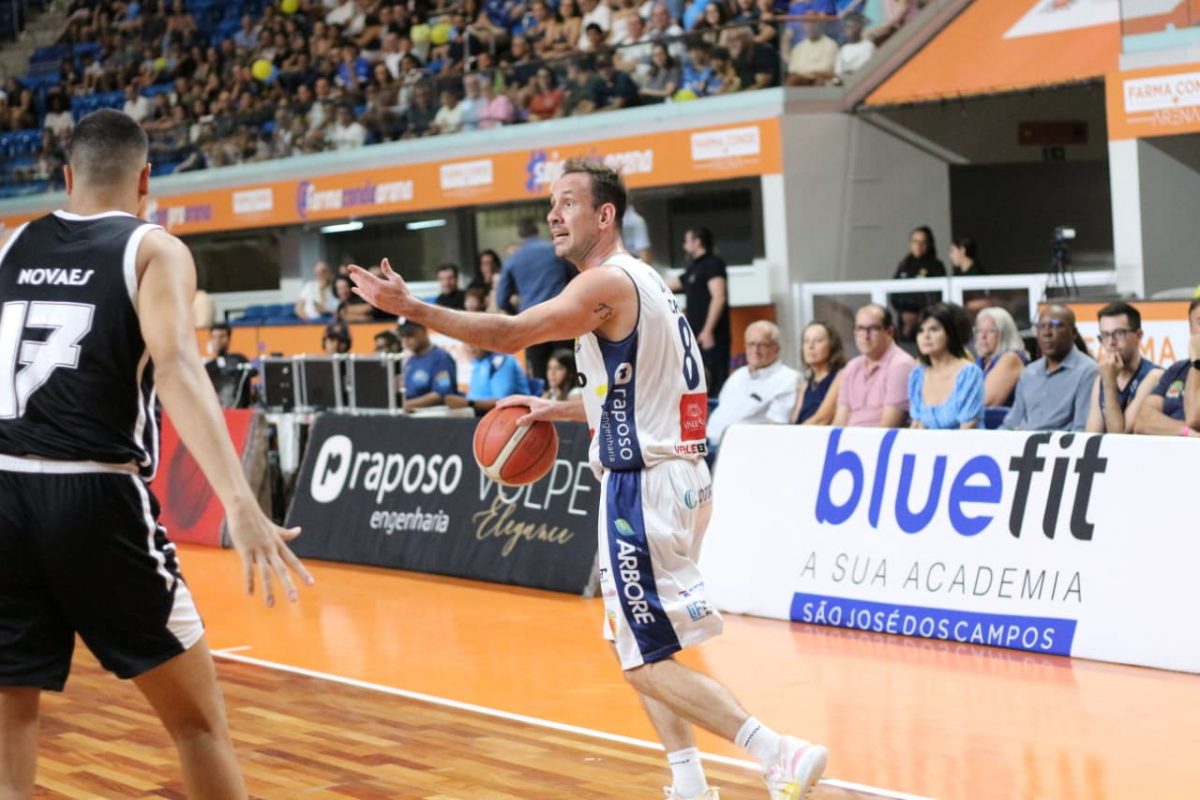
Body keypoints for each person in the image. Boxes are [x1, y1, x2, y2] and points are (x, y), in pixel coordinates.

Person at [348, 158, 827, 800]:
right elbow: (642, 393)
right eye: (551, 204)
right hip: (680, 477)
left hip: (642, 486)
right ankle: (688, 780)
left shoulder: (606, 283)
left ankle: (778, 753)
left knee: (643, 659)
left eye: (567, 202)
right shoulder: (646, 281)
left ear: (605, 215)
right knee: (630, 643)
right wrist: (562, 408)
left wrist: (411, 307)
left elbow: (510, 334)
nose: (553, 215)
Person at [0, 109, 310, 800]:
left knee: (11, 715)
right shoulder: (151, 248)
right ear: (146, 180)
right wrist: (239, 501)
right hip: (93, 496)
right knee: (197, 725)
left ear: (66, 176)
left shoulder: (12, 244)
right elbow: (175, 367)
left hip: (4, 491)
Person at [496, 217, 575, 380]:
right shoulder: (556, 250)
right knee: (568, 367)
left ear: (519, 234)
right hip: (562, 317)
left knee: (540, 373)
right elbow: (575, 278)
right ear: (538, 230)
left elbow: (501, 299)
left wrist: (517, 313)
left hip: (532, 323)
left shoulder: (513, 259)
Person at [999, 305, 1097, 432]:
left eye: (1055, 325)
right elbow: (1011, 423)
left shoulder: (1088, 371)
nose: (1047, 333)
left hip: (1058, 444)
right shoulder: (1029, 372)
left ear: (1073, 333)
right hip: (1022, 442)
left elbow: (1081, 431)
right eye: (1041, 326)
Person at [707, 321, 799, 449]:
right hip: (708, 442)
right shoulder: (738, 374)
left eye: (762, 345)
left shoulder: (788, 379)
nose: (755, 350)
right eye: (751, 344)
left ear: (777, 348)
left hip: (742, 449)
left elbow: (776, 427)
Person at [667, 227, 731, 397]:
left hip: (711, 336)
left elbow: (719, 297)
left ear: (697, 242)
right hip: (694, 337)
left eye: (686, 241)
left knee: (715, 381)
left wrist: (708, 330)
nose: (684, 246)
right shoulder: (693, 268)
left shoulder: (713, 264)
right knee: (698, 381)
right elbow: (670, 284)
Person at [1085, 302, 1162, 434]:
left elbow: (1121, 435)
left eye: (1119, 333)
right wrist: (1107, 380)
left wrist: (1109, 383)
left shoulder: (1154, 376)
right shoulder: (1101, 380)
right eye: (1105, 335)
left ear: (1138, 335)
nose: (1111, 342)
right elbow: (1092, 436)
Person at [834, 303, 915, 427]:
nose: (865, 336)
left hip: (881, 438)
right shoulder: (851, 367)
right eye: (860, 328)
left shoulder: (901, 365)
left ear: (889, 332)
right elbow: (840, 421)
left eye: (873, 329)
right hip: (849, 437)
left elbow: (888, 426)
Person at [907, 303, 984, 429]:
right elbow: (917, 425)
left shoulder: (969, 374)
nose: (926, 336)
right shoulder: (917, 375)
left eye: (934, 329)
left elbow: (968, 427)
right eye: (921, 331)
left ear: (950, 334)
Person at [1135, 298, 1200, 437]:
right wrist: (1184, 431)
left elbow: (1194, 418)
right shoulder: (1177, 369)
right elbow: (1142, 421)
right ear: (1191, 329)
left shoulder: (1195, 365)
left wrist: (1197, 363)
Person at [445, 345, 531, 413]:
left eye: (474, 341)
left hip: (508, 418)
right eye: (466, 342)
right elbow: (475, 396)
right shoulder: (477, 362)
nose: (470, 346)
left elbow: (502, 402)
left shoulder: (500, 362)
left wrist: (468, 403)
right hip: (480, 415)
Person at [790, 321, 846, 425]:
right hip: (801, 431)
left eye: (818, 340)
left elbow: (822, 419)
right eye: (806, 341)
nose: (810, 346)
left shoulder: (841, 376)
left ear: (832, 345)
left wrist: (795, 433)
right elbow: (795, 420)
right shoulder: (806, 383)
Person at [398, 320, 459, 411]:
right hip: (410, 411)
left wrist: (405, 405)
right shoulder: (411, 360)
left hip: (432, 414)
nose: (406, 340)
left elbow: (441, 394)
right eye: (402, 336)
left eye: (410, 335)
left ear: (423, 331)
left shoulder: (441, 359)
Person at [204, 322, 255, 408]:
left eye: (222, 336)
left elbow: (252, 371)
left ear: (228, 338)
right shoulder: (208, 366)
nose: (218, 341)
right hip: (219, 409)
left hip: (240, 409)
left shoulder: (239, 359)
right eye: (214, 337)